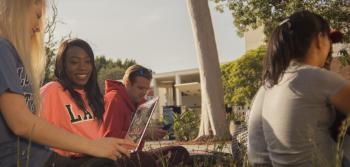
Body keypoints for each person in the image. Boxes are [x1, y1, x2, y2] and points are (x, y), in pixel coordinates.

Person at [0, 1, 133, 167]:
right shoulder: (3, 48)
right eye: (37, 16)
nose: (39, 27)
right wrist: (92, 146)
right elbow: (21, 123)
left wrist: (105, 145)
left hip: (39, 155)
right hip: (25, 159)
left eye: (88, 62)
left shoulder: (14, 56)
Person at [248, 10, 350, 166]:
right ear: (319, 40)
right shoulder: (314, 76)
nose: (330, 49)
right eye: (330, 40)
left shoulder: (273, 83)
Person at [40, 38, 136, 166]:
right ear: (62, 65)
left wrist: (121, 143)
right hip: (64, 161)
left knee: (137, 159)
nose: (82, 68)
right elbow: (32, 129)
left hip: (94, 157)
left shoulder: (93, 97)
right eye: (74, 62)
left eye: (88, 62)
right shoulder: (52, 90)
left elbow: (97, 138)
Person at [100, 65, 193, 166]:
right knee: (145, 159)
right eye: (140, 88)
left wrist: (151, 130)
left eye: (146, 89)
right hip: (114, 158)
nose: (144, 93)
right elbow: (109, 138)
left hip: (134, 154)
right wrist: (144, 133)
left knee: (179, 152)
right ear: (127, 83)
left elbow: (135, 143)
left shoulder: (140, 103)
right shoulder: (114, 99)